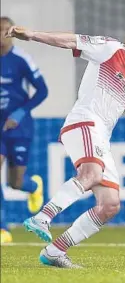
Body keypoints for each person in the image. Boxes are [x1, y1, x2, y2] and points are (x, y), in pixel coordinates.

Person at [7, 12, 125, 268]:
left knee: (110, 205)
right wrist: (31, 34)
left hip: (101, 136)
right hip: (84, 121)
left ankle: (54, 251)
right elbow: (69, 41)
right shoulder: (110, 49)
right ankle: (43, 216)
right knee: (92, 174)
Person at [0, 17, 48, 243]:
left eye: (3, 31)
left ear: (9, 34)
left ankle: (34, 186)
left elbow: (42, 91)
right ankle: (3, 229)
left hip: (20, 127)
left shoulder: (21, 60)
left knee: (15, 183)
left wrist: (20, 113)